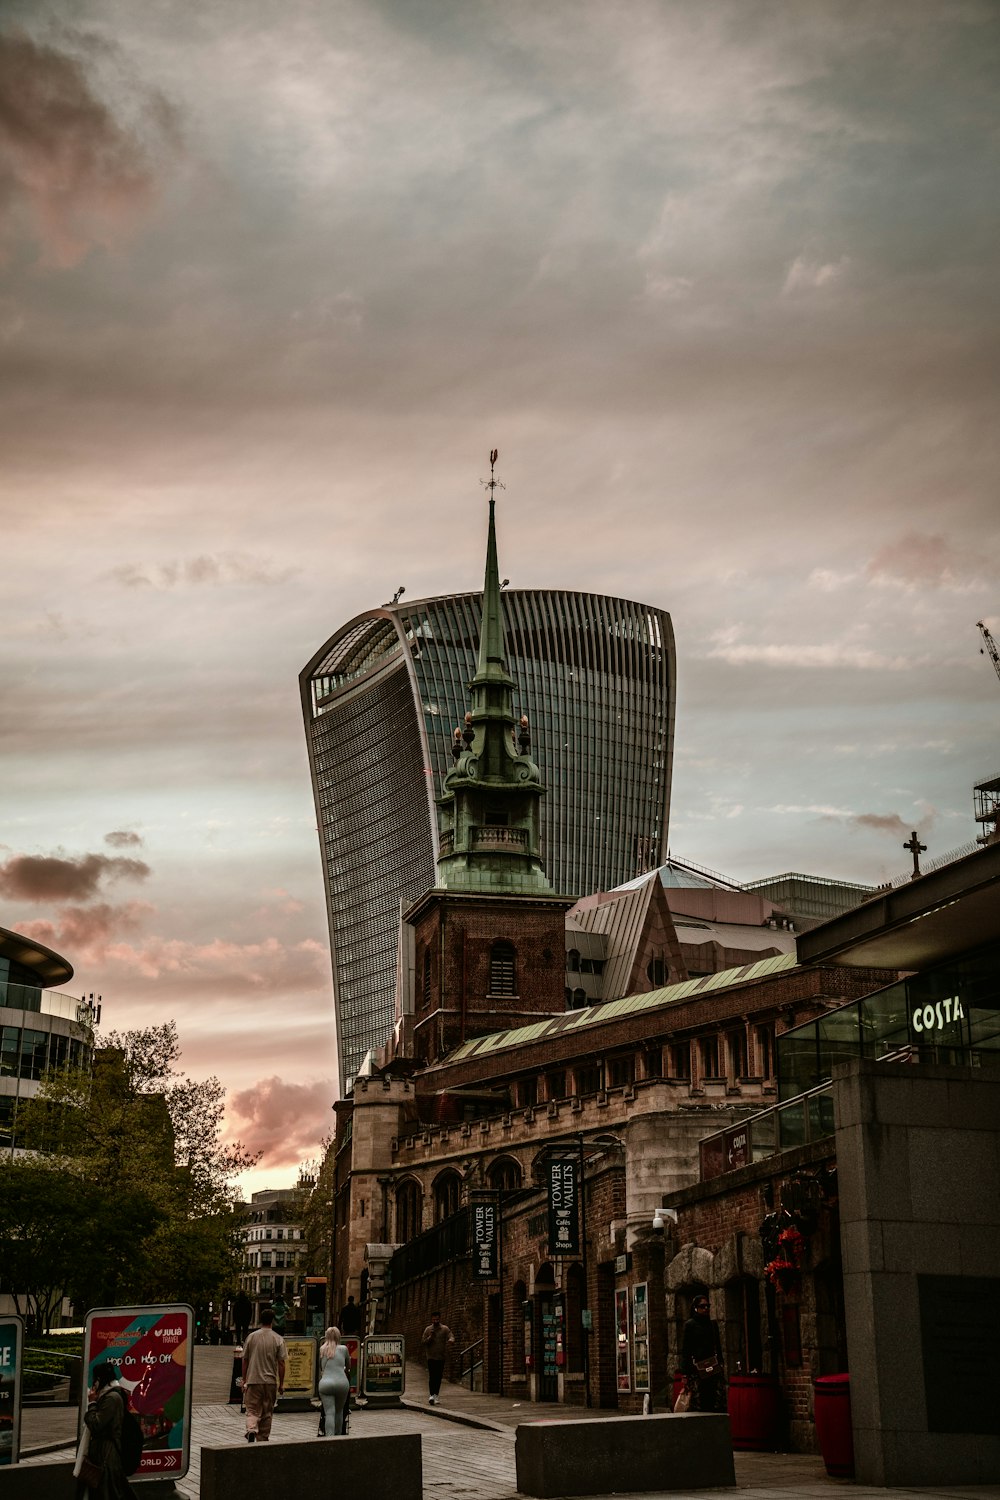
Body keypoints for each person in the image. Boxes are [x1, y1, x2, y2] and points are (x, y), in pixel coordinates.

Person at [75, 1362, 136, 1500]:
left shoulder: (111, 1398)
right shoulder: (109, 1395)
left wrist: (91, 1404)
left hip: (106, 1454)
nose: (94, 1383)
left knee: (107, 1491)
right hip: (104, 1453)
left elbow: (96, 1424)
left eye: (96, 1379)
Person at [241, 1307, 286, 1442]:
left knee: (252, 1409)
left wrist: (244, 1380)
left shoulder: (251, 1337)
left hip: (253, 1380)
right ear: (272, 1321)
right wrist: (281, 1384)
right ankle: (263, 1438)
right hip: (270, 1381)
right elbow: (281, 1363)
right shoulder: (278, 1339)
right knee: (267, 1412)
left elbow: (245, 1360)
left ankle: (251, 1430)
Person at [680, 1294, 725, 1412]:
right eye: (702, 1306)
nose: (706, 1309)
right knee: (699, 1403)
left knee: (716, 1402)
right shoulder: (690, 1325)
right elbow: (686, 1350)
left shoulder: (712, 1324)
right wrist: (685, 1373)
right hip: (697, 1369)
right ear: (696, 1307)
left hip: (713, 1367)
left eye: (708, 1306)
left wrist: (721, 1362)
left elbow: (718, 1345)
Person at [318, 1325, 351, 1436]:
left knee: (329, 1413)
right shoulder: (344, 1349)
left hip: (325, 1384)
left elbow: (321, 1367)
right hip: (342, 1383)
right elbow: (348, 1366)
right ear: (338, 1336)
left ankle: (329, 1438)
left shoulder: (322, 1349)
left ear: (326, 1336)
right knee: (339, 1411)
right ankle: (338, 1439)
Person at [421, 1310, 454, 1405]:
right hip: (431, 1356)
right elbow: (423, 1342)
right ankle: (431, 1395)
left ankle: (436, 1395)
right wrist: (430, 1337)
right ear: (431, 1319)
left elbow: (451, 1336)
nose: (436, 1321)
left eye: (437, 1319)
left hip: (441, 1357)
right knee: (432, 1376)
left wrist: (451, 1340)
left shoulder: (444, 1329)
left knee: (438, 1377)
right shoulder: (428, 1329)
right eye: (434, 1319)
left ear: (440, 1319)